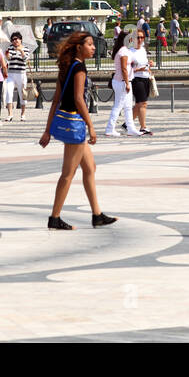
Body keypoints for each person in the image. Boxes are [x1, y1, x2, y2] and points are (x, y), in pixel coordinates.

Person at [39, 31, 117, 230]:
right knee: (68, 173)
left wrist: (48, 130)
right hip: (74, 125)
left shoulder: (65, 67)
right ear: (79, 47)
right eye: (89, 44)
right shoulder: (79, 68)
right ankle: (54, 218)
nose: (93, 47)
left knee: (90, 168)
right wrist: (91, 126)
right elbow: (78, 99)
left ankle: (97, 214)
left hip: (67, 122)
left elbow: (56, 100)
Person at [104, 28, 141, 138]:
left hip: (122, 81)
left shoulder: (122, 50)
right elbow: (124, 69)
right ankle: (110, 128)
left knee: (128, 106)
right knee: (119, 106)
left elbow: (126, 67)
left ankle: (131, 128)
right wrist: (127, 83)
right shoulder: (123, 51)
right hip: (122, 81)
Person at [127, 27, 154, 135]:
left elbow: (145, 63)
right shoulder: (130, 51)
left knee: (139, 104)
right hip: (136, 78)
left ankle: (127, 124)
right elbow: (127, 68)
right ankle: (143, 127)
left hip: (145, 77)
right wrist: (139, 69)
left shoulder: (143, 50)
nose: (140, 39)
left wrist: (149, 65)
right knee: (143, 103)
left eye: (142, 37)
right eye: (138, 37)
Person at [5, 31, 29, 122]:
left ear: (20, 39)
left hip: (21, 74)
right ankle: (10, 114)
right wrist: (7, 55)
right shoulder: (10, 48)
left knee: (22, 94)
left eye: (16, 39)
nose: (15, 41)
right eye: (13, 40)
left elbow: (25, 59)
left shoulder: (26, 48)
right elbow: (9, 58)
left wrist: (21, 51)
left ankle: (23, 114)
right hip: (11, 74)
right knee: (9, 92)